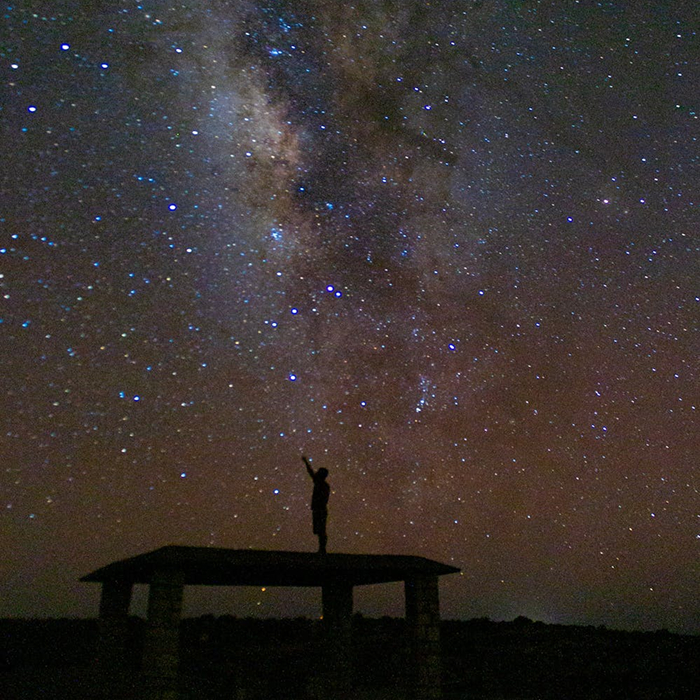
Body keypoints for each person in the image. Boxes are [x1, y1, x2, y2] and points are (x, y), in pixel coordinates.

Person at [302, 455, 330, 554]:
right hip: (320, 509)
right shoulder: (323, 484)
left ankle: (322, 549)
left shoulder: (321, 484)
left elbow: (311, 473)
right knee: (320, 530)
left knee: (321, 530)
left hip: (320, 509)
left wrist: (306, 462)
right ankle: (322, 548)